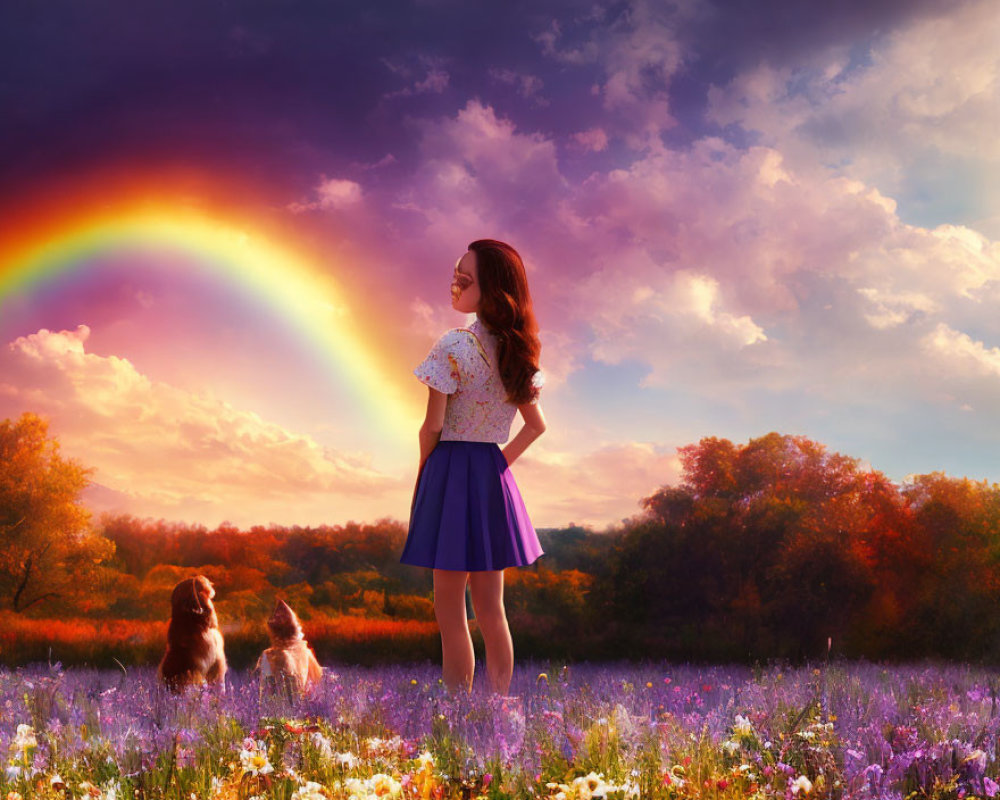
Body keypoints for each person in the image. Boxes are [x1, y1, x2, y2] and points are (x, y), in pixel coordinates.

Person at [400, 238, 547, 696]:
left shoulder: (453, 345)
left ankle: (457, 710)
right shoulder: (516, 351)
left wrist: (426, 473)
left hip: (450, 471)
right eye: (456, 273)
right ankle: (500, 706)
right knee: (492, 608)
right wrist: (498, 465)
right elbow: (535, 427)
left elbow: (432, 426)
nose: (455, 283)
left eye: (466, 277)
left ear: (492, 288)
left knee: (449, 609)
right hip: (490, 475)